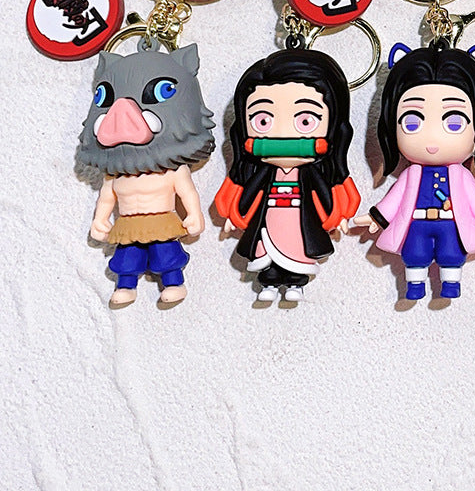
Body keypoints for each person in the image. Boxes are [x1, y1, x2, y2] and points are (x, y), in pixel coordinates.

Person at [355, 40, 475, 300]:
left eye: (454, 123)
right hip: (417, 223)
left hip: (450, 224)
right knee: (414, 253)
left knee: (452, 253)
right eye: (412, 122)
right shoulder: (411, 175)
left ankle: (451, 284)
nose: (432, 139)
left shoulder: (461, 175)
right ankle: (414, 285)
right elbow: (394, 200)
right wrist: (378, 217)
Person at [214, 48, 360, 304]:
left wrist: (336, 216)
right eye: (262, 121)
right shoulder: (260, 172)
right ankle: (269, 282)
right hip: (268, 218)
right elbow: (249, 193)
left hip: (299, 221)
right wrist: (235, 215)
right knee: (265, 252)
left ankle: (295, 282)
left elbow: (325, 194)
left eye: (305, 121)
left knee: (296, 252)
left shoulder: (314, 172)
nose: (282, 134)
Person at [79, 43, 214, 307]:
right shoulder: (115, 174)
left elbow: (187, 192)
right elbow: (106, 198)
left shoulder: (173, 170)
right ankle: (125, 287)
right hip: (127, 223)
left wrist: (194, 214)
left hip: (162, 220)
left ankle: (174, 283)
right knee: (126, 258)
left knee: (167, 254)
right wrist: (100, 219)